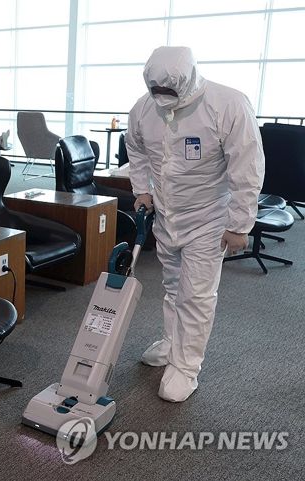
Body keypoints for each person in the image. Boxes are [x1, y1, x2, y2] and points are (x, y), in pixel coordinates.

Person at [126, 46, 264, 402]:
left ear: (187, 81)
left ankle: (186, 367)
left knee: (197, 294)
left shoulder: (228, 104)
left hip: (209, 219)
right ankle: (172, 342)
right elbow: (137, 149)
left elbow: (247, 167)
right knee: (173, 285)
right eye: (157, 92)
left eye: (169, 92)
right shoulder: (144, 108)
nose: (163, 99)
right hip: (168, 216)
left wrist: (240, 224)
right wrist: (142, 190)